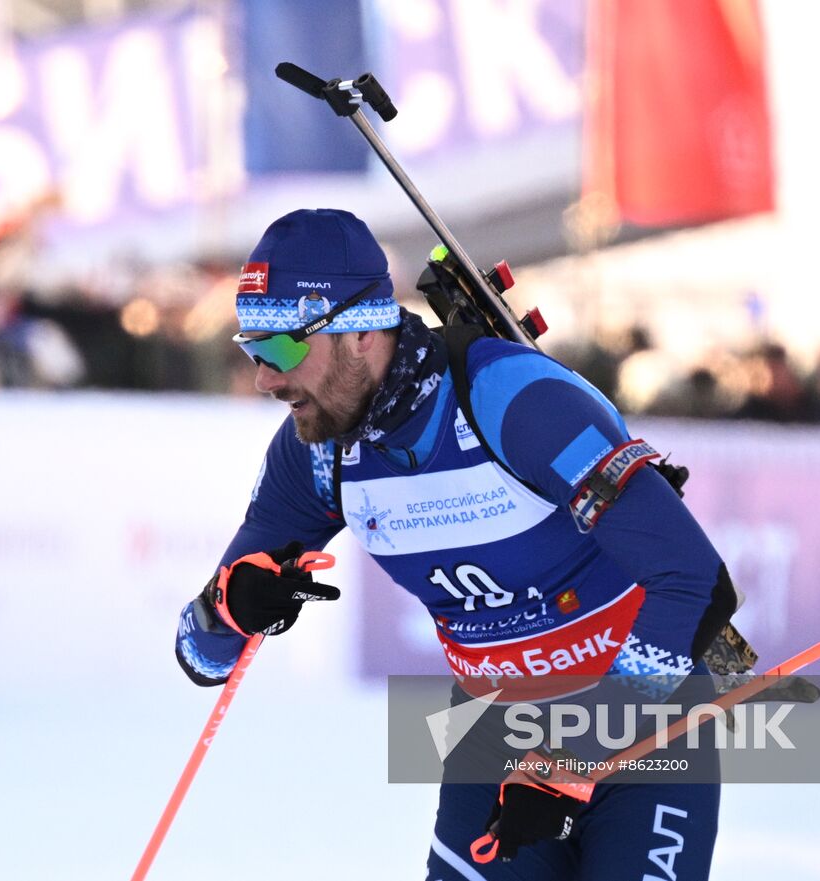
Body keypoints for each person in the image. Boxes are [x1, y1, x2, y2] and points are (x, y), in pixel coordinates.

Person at [174, 209, 738, 880]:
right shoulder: (318, 455)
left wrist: (581, 750)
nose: (265, 378)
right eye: (253, 350)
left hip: (645, 731)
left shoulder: (511, 400)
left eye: (282, 350)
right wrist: (230, 603)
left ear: (359, 331)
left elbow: (695, 580)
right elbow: (199, 653)